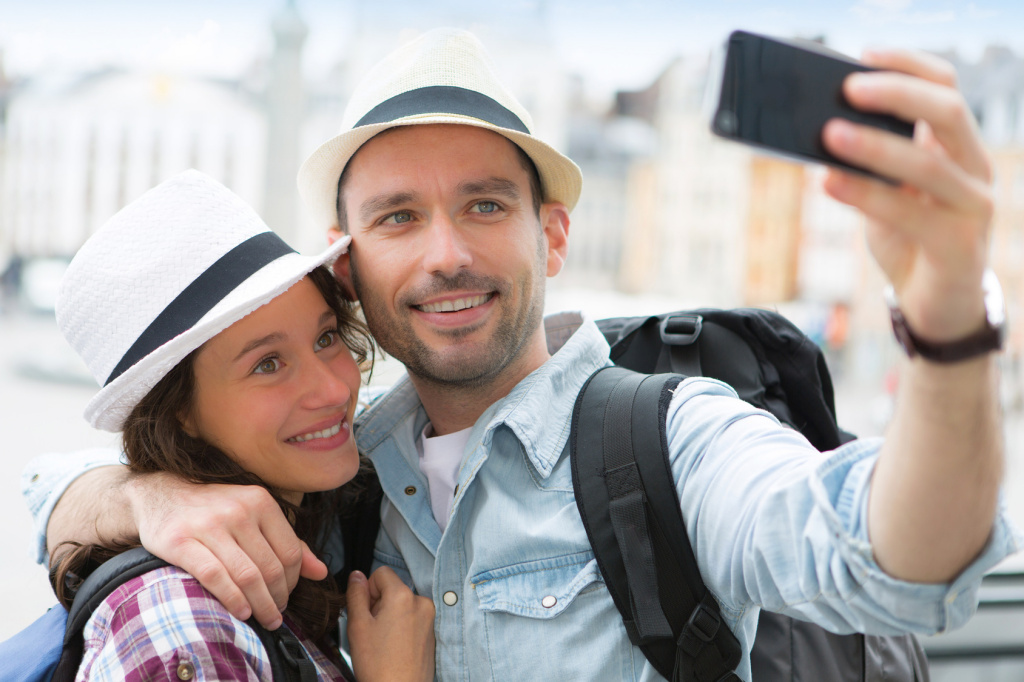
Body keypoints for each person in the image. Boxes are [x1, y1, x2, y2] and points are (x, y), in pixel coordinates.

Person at [25, 29, 1020, 681]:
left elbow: (887, 557)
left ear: (552, 237)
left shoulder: (669, 443)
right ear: (351, 265)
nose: (447, 251)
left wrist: (945, 322)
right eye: (399, 216)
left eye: (485, 205)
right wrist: (153, 498)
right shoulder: (338, 461)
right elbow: (50, 483)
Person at [44, 169, 434, 681]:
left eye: (325, 338)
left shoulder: (282, 547)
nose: (336, 390)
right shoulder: (185, 624)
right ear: (177, 411)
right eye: (267, 364)